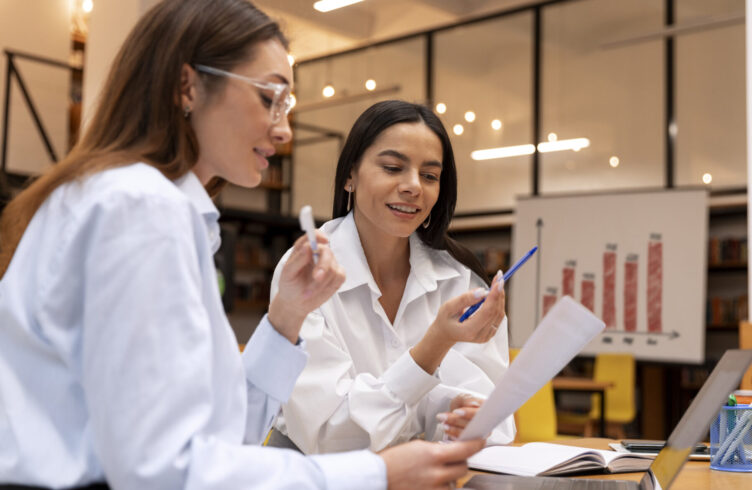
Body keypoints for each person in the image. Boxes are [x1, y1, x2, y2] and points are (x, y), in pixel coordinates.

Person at [0, 1, 484, 489]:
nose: (284, 130)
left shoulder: (152, 206)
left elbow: (223, 434)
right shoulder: (139, 208)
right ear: (188, 86)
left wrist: (285, 320)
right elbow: (163, 470)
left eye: (287, 106)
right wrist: (376, 472)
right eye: (269, 98)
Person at [246, 100, 516, 455]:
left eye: (430, 176)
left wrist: (466, 417)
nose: (413, 186)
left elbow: (496, 420)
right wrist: (433, 350)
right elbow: (328, 433)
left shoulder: (461, 279)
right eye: (392, 167)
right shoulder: (307, 272)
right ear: (350, 175)